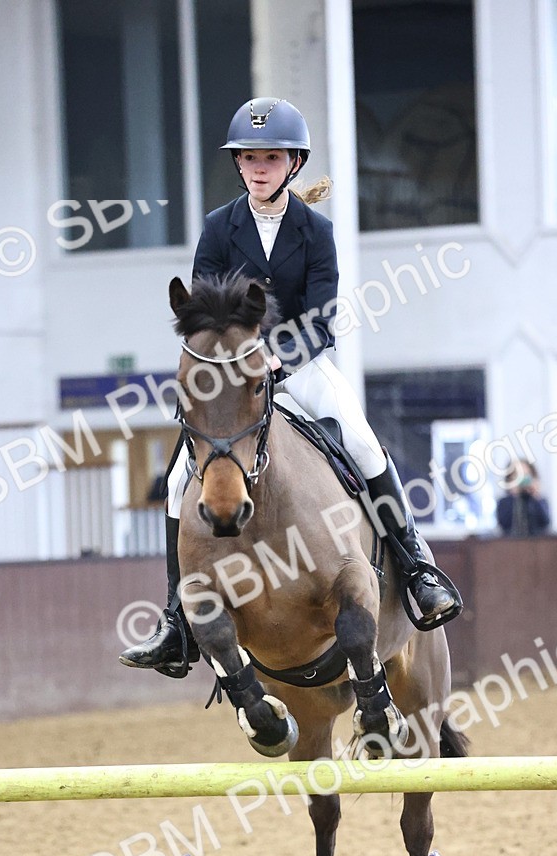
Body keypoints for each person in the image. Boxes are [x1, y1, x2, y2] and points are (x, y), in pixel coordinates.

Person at [121, 97, 460, 676]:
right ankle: (177, 617)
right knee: (182, 472)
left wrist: (279, 358)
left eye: (270, 158)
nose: (258, 167)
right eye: (249, 158)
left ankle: (416, 565)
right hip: (232, 377)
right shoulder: (217, 228)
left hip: (299, 365)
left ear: (293, 164)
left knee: (361, 441)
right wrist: (234, 360)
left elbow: (324, 317)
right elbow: (203, 309)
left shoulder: (316, 231)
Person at [496, 460, 550, 537]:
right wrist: (514, 496)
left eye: (525, 475)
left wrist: (535, 496)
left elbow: (545, 522)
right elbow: (504, 524)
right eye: (517, 475)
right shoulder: (504, 502)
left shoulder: (539, 500)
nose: (521, 480)